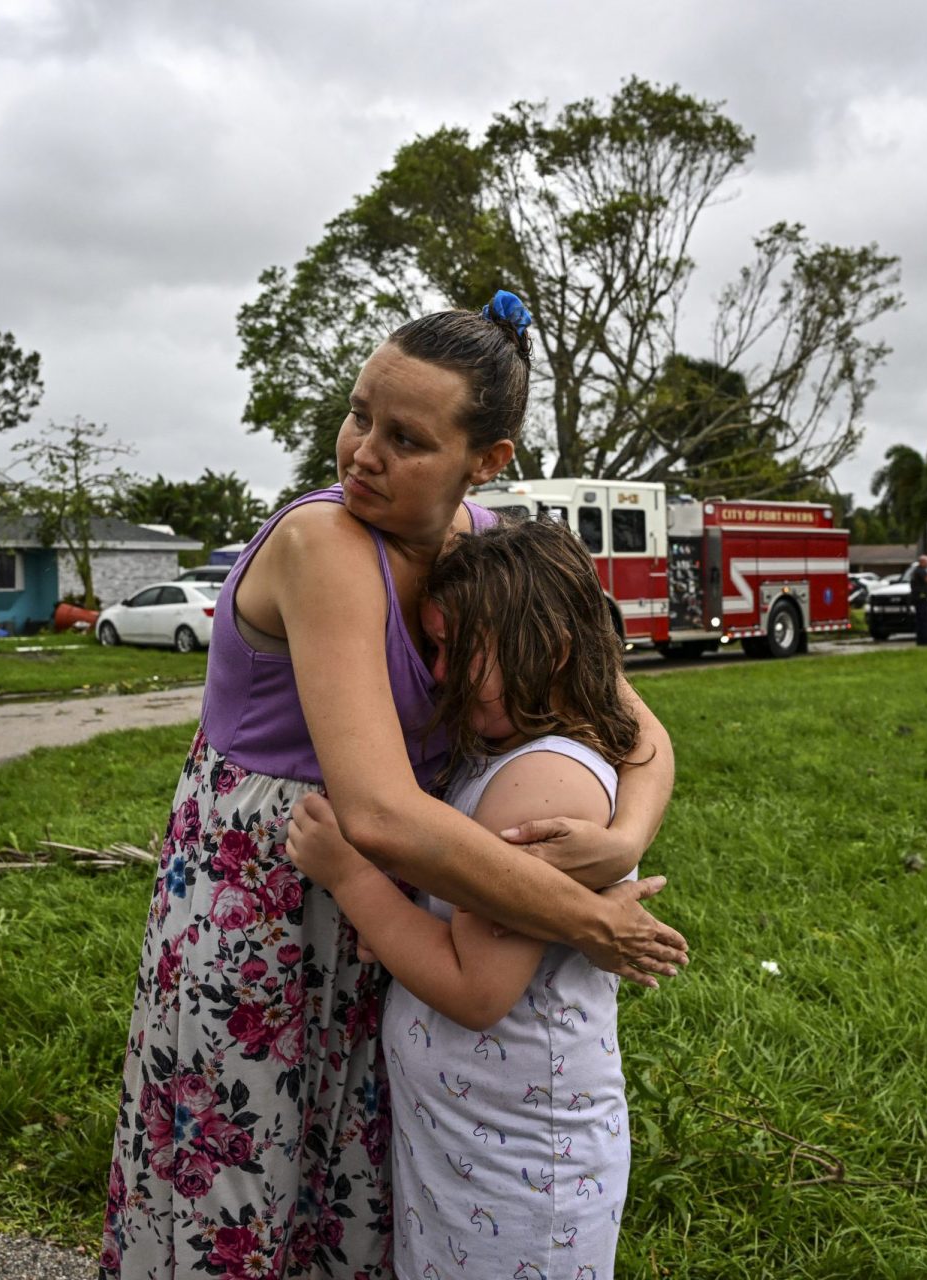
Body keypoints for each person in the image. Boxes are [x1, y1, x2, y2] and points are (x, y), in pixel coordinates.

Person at [100, 293, 684, 1279]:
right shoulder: (325, 542)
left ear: (484, 461)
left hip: (401, 898)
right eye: (359, 412)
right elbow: (370, 809)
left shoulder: (493, 548)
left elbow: (629, 722)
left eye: (406, 437)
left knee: (361, 1177)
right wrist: (589, 921)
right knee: (244, 1178)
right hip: (273, 899)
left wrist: (624, 840)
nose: (362, 449)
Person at [287, 517, 643, 1280]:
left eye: (453, 650)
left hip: (521, 1168)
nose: (438, 674)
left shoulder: (543, 781)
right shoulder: (506, 753)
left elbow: (477, 988)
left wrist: (349, 875)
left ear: (543, 650)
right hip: (473, 1143)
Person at [908, 553, 927, 645]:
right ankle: (926, 640)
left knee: (922, 619)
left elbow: (926, 585)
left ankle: (921, 640)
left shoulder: (919, 570)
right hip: (920, 599)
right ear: (922, 562)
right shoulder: (920, 571)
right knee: (926, 619)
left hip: (920, 598)